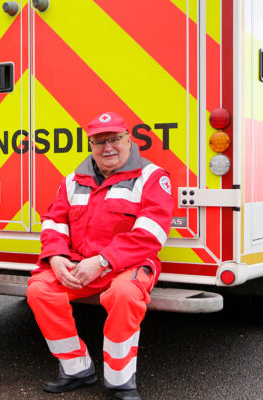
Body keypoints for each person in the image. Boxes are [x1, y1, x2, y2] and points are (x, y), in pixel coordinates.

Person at [26, 112, 173, 400]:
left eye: (115, 139)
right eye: (99, 142)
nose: (108, 148)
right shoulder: (73, 180)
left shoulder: (152, 177)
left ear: (129, 139)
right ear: (90, 145)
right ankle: (76, 368)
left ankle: (120, 381)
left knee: (123, 295)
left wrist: (103, 261)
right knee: (40, 290)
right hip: (82, 263)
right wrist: (55, 257)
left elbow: (150, 235)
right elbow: (54, 221)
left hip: (127, 265)